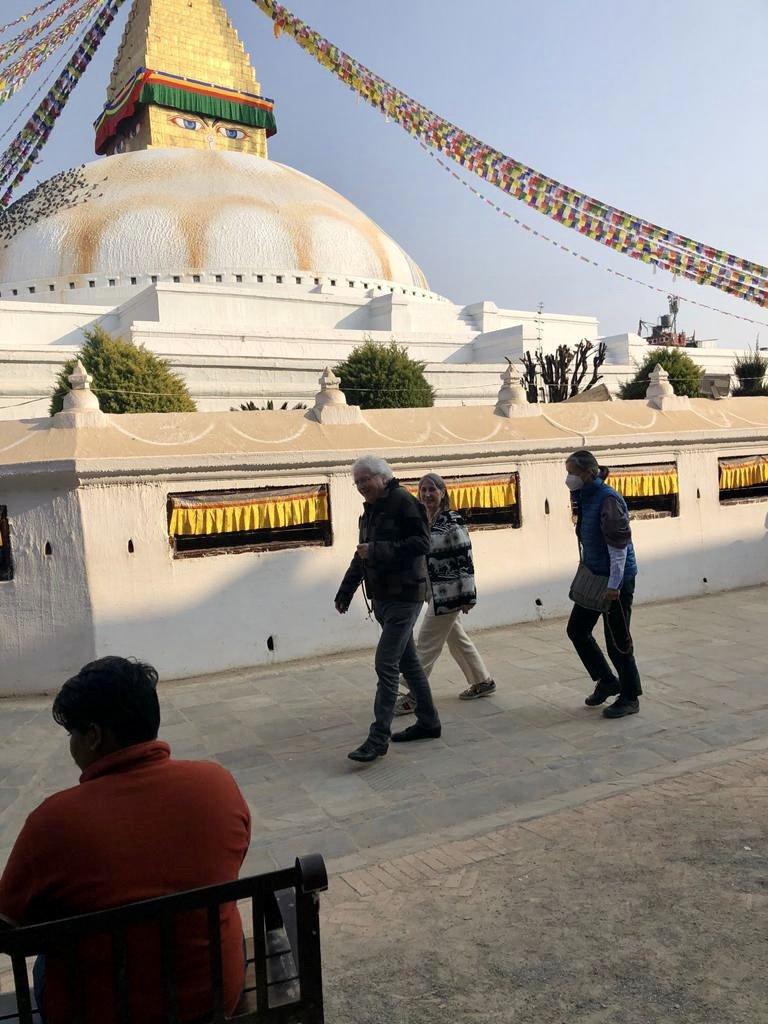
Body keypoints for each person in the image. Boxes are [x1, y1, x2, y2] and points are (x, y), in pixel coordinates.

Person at [0, 656, 251, 1024]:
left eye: (72, 733)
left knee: (46, 964)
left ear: (94, 736)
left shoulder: (52, 822)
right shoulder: (218, 785)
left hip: (101, 1011)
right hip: (210, 1000)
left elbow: (8, 928)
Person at [335, 456, 442, 763]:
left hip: (405, 594)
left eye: (364, 480)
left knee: (386, 663)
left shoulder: (405, 504)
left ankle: (378, 737)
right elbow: (362, 554)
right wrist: (346, 590)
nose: (360, 487)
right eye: (356, 482)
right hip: (383, 597)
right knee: (409, 664)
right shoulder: (371, 511)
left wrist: (378, 550)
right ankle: (429, 722)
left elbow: (422, 544)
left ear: (382, 477)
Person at [394, 472, 495, 715]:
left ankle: (415, 694)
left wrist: (468, 595)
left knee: (426, 643)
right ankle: (482, 681)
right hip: (431, 592)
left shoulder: (452, 520)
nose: (428, 494)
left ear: (443, 493)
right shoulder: (422, 519)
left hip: (449, 594)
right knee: (456, 639)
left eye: (432, 490)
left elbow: (464, 557)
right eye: (424, 490)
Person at [565, 449, 643, 718]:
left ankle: (630, 696)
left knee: (617, 641)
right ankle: (607, 680)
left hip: (615, 581)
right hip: (595, 575)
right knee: (577, 630)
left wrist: (614, 584)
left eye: (572, 473)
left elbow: (619, 547)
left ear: (587, 473)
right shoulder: (585, 496)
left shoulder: (608, 500)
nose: (569, 478)